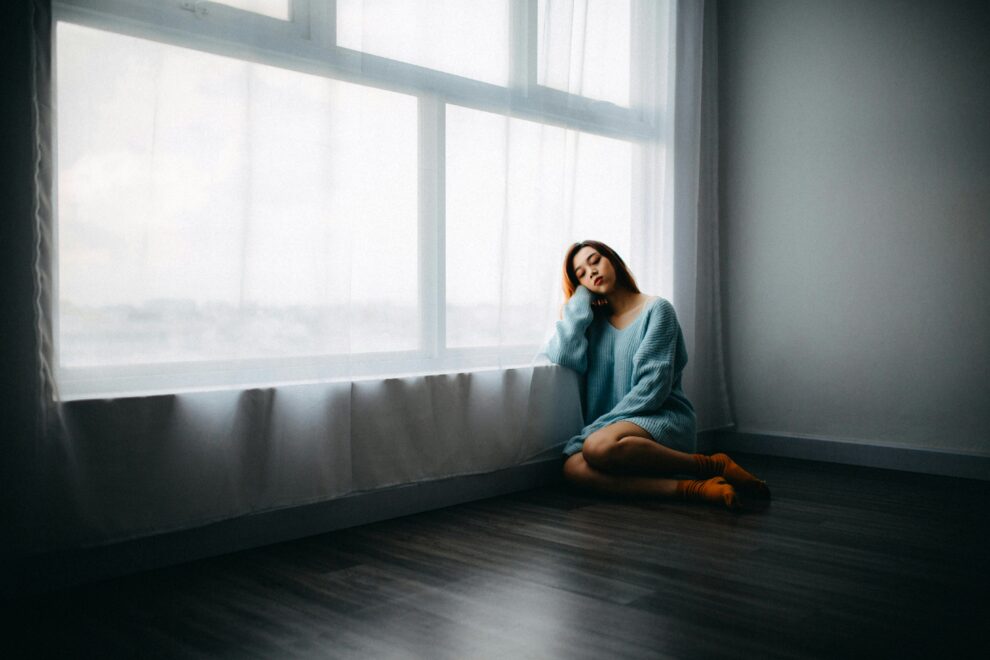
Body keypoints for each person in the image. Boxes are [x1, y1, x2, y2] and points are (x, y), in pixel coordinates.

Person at [541, 240, 770, 510]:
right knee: (573, 469)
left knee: (594, 448)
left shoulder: (657, 310)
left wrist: (594, 431)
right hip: (613, 435)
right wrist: (580, 299)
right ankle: (691, 489)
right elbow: (564, 354)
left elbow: (653, 388)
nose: (591, 271)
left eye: (595, 260)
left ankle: (710, 464)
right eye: (581, 274)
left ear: (612, 260)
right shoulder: (593, 323)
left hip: (659, 417)